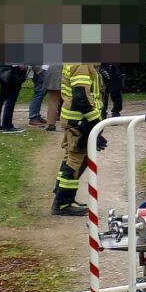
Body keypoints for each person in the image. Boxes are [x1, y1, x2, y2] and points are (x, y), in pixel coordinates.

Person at [51, 62, 104, 215]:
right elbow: (81, 97)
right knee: (77, 160)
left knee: (70, 157)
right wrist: (95, 123)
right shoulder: (82, 64)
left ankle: (61, 195)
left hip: (74, 119)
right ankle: (63, 203)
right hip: (80, 121)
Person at [0, 64, 28, 132]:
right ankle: (7, 125)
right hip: (13, 71)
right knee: (11, 99)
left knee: (0, 99)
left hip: (3, 70)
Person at [27, 64, 51, 129]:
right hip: (42, 70)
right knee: (39, 93)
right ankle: (33, 117)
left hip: (42, 69)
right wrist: (38, 69)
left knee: (41, 93)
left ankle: (36, 115)